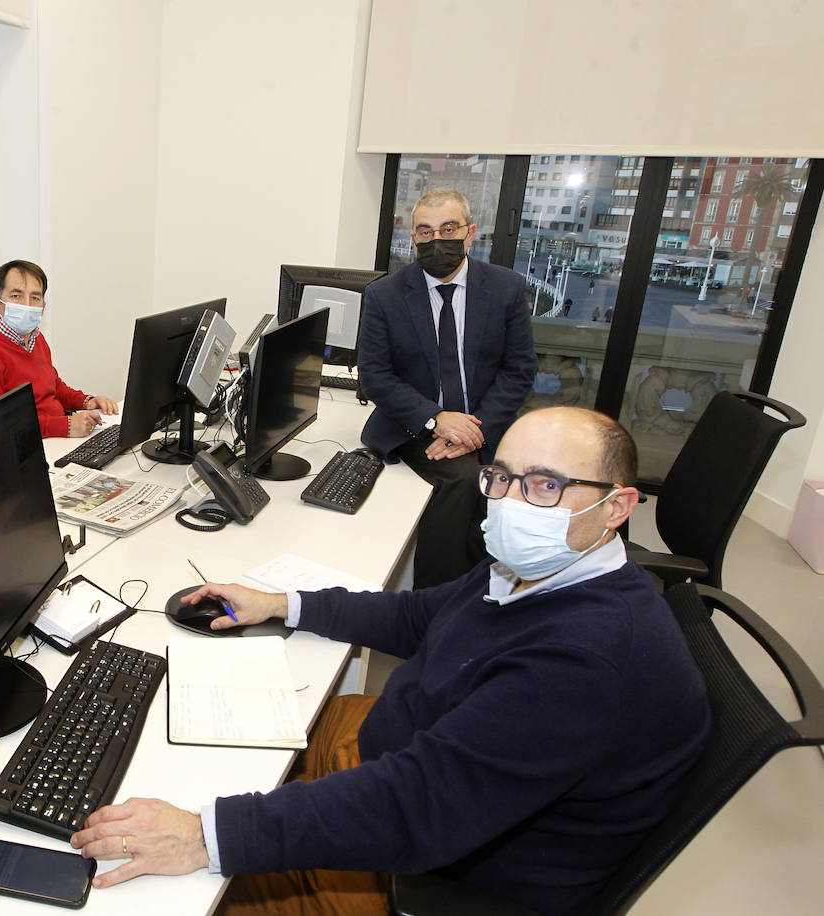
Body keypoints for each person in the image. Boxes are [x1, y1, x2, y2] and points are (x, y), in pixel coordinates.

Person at [71, 407, 711, 916]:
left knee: (177, 895)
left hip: (442, 865)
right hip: (411, 751)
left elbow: (416, 806)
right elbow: (418, 616)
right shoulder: (544, 571)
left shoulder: (582, 663)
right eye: (502, 477)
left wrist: (205, 836)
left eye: (546, 485)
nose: (512, 502)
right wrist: (282, 603)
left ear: (618, 507)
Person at [356, 188, 537, 587]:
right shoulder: (384, 295)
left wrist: (474, 430)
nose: (436, 240)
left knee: (524, 485)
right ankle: (432, 605)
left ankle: (491, 596)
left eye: (448, 228)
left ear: (469, 234)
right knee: (461, 479)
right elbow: (375, 376)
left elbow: (519, 369)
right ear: (413, 239)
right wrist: (437, 420)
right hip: (413, 422)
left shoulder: (505, 288)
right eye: (425, 231)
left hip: (487, 420)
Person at [0, 259, 118, 437]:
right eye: (16, 296)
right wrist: (64, 426)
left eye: (35, 298)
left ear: (43, 307)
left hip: (53, 439)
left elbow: (54, 387)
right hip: (20, 447)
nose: (26, 305)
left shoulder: (36, 339)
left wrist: (87, 401)